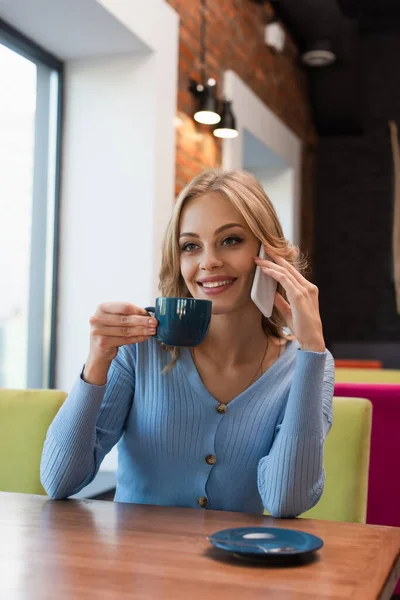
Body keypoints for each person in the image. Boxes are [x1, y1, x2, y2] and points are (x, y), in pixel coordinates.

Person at [41, 168, 334, 517]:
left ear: (269, 254)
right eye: (191, 246)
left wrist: (312, 347)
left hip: (240, 568)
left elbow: (287, 500)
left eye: (231, 240)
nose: (208, 262)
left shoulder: (307, 363)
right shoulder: (138, 347)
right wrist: (96, 363)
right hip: (135, 568)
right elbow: (59, 480)